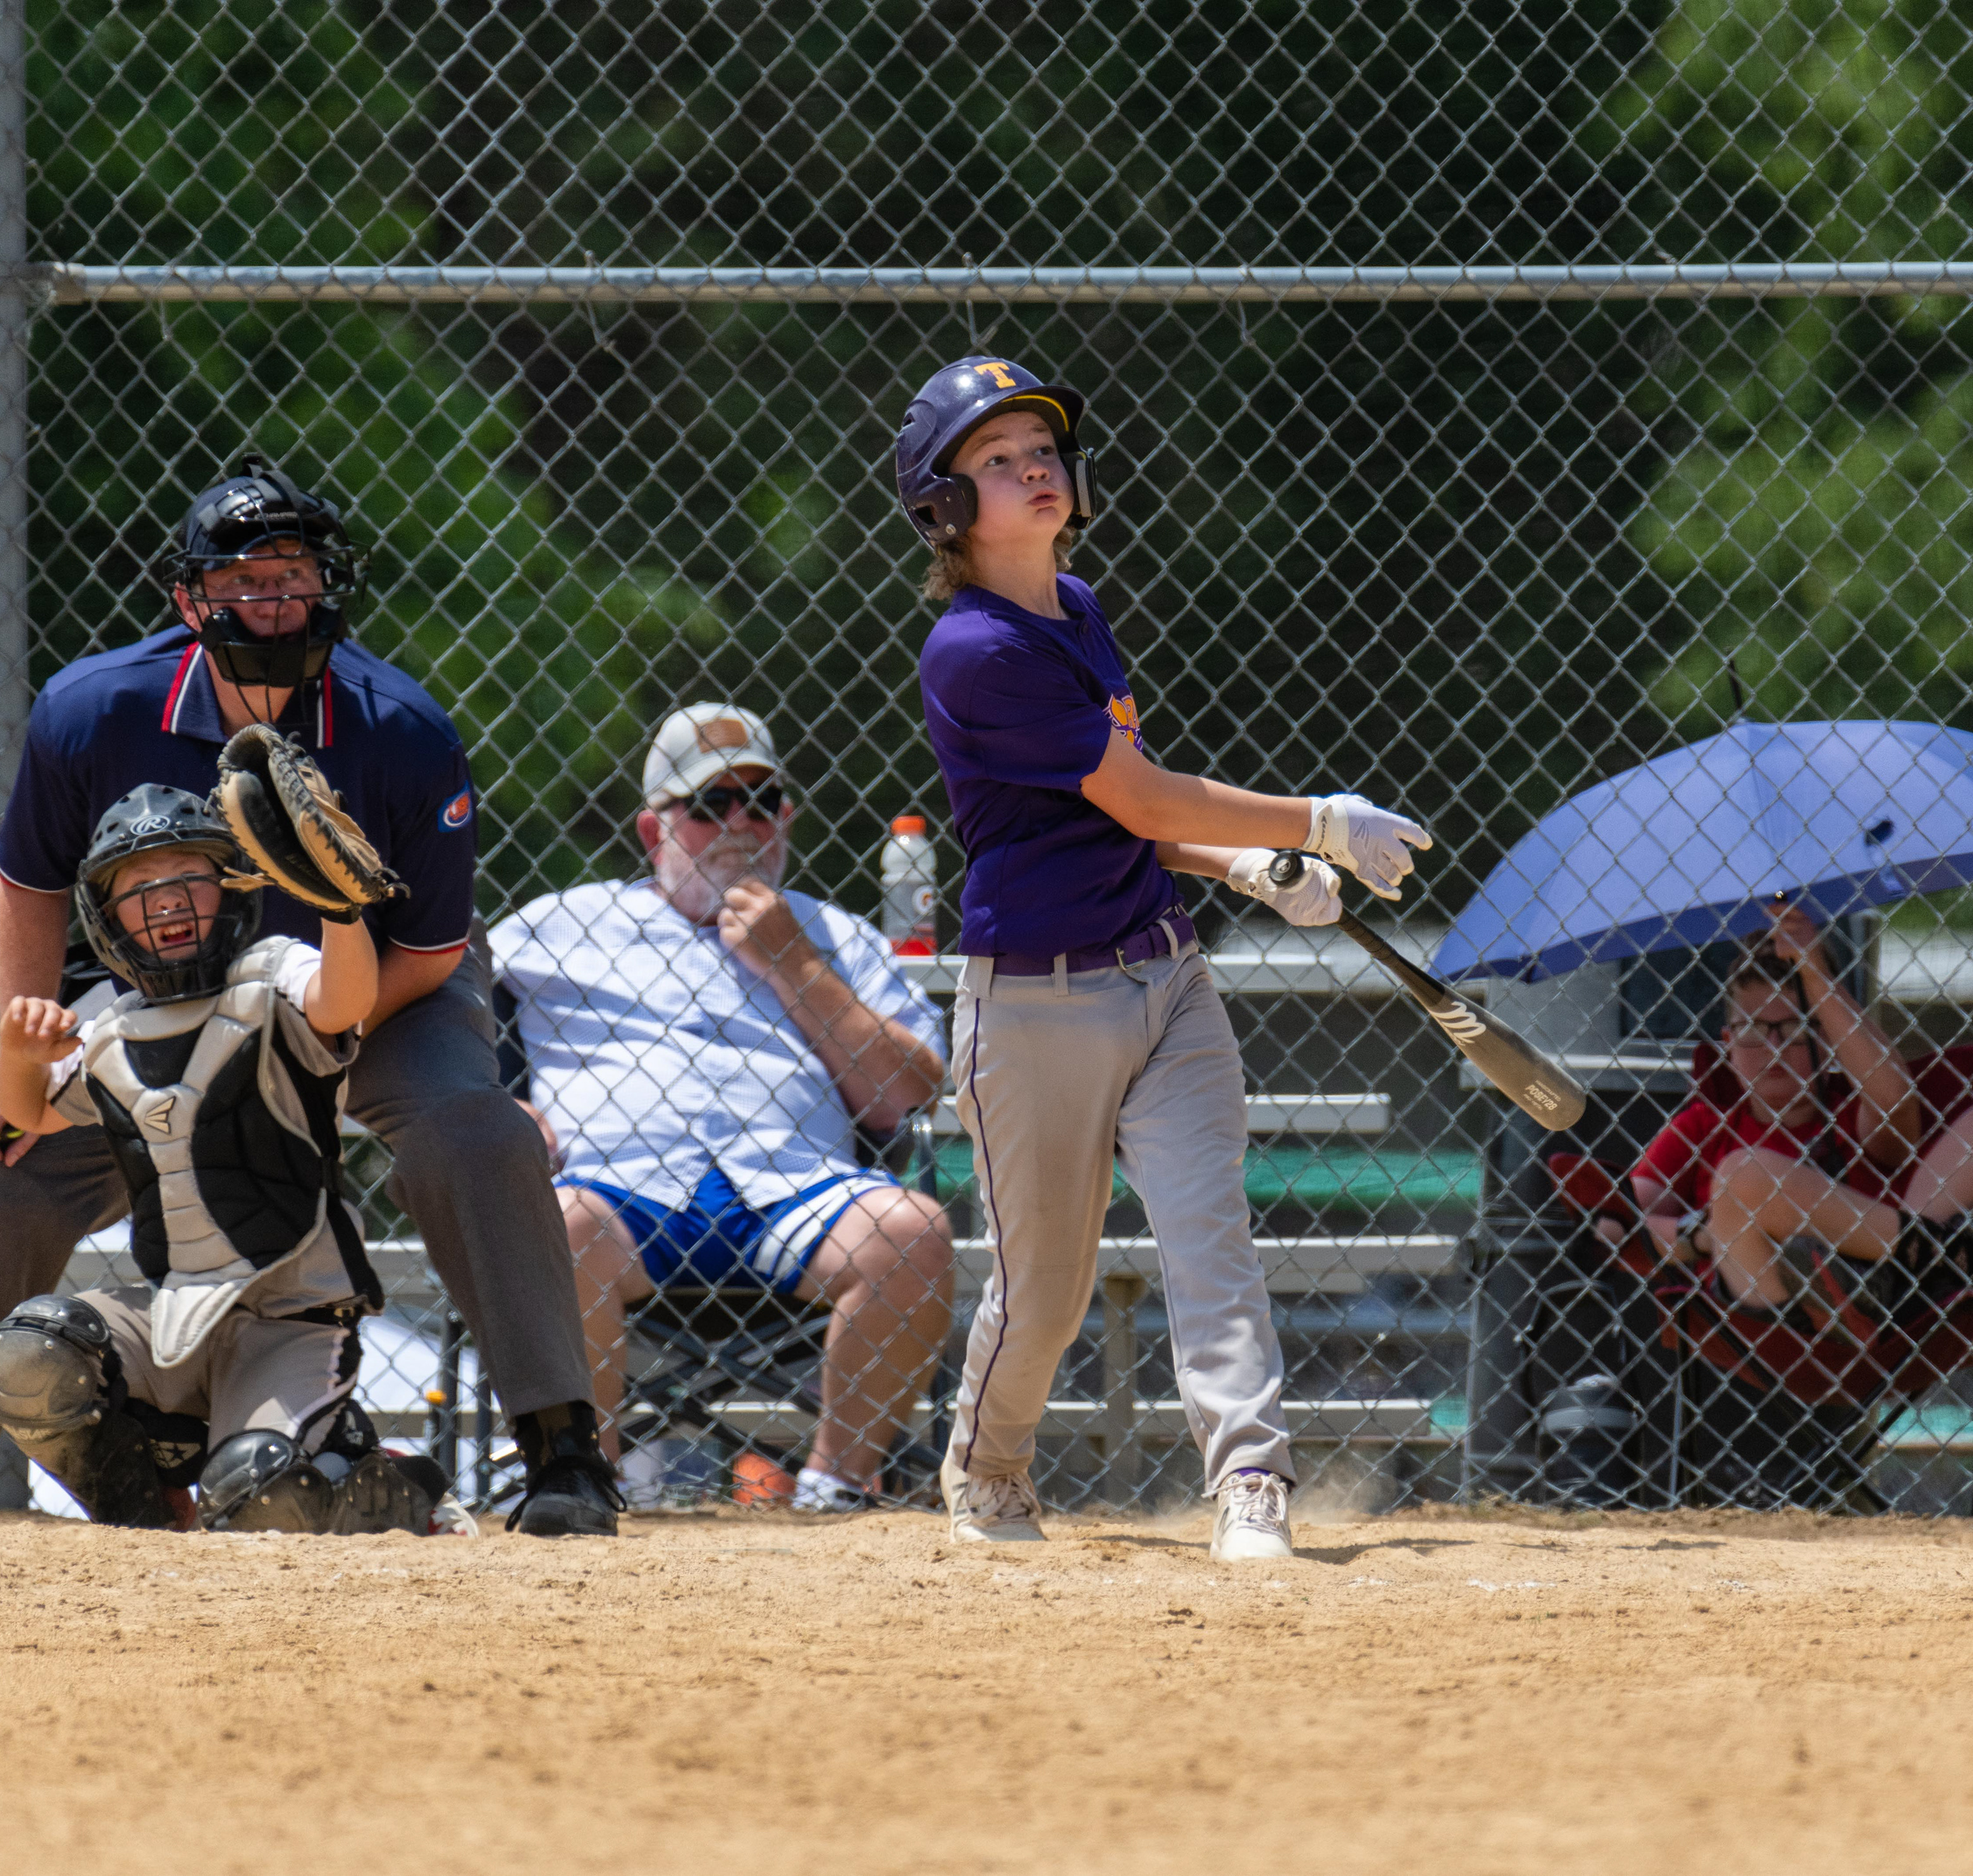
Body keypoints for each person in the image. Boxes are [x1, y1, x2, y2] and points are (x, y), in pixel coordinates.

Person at [0, 455, 617, 1536]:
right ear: (188, 597)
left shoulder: (403, 727)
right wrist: (24, 1055)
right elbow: (30, 886)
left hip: (375, 985)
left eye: (293, 575)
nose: (273, 600)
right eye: (243, 579)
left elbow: (434, 946)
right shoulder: (95, 709)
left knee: (478, 1132)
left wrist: (286, 1051)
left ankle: (563, 1452)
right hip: (162, 998)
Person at [894, 354, 1431, 1555]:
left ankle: (1251, 1479)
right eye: (997, 459)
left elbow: (1116, 811)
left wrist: (1235, 864)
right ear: (946, 503)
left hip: (1165, 973)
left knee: (1210, 1237)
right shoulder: (973, 648)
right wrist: (1312, 822)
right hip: (1037, 1003)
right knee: (1047, 1289)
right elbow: (1137, 795)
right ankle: (988, 1467)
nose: (1035, 468)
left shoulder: (1076, 607)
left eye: (1044, 450)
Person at [490, 703, 954, 1512]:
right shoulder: (560, 926)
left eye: (762, 802)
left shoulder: (833, 934)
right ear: (654, 830)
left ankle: (836, 1491)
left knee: (913, 1233)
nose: (741, 824)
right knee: (553, 1225)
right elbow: (443, 1012)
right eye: (710, 804)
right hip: (615, 1193)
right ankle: (582, 1487)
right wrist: (497, 1106)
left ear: (788, 817)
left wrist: (795, 964)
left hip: (799, 1193)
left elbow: (909, 1090)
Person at [0, 783, 450, 1533]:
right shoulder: (112, 1031)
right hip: (179, 1317)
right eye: (137, 884)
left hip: (292, 1319)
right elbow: (28, 1111)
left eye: (188, 875)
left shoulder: (273, 974)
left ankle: (388, 1487)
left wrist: (340, 912)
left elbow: (343, 1003)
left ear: (233, 888)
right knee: (28, 1353)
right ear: (105, 916)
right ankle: (147, 1515)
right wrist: (15, 1053)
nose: (165, 898)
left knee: (260, 1494)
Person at [1606, 906, 1973, 1317]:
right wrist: (1704, 1235)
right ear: (1727, 1043)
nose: (1774, 1048)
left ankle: (1892, 1267)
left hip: (1880, 1309)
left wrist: (1817, 977)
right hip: (1767, 1315)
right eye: (1753, 1029)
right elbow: (1612, 1227)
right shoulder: (1703, 1127)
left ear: (1828, 1039)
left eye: (1796, 1028)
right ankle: (1933, 1254)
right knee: (1743, 1179)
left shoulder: (1852, 1116)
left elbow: (1895, 1103)